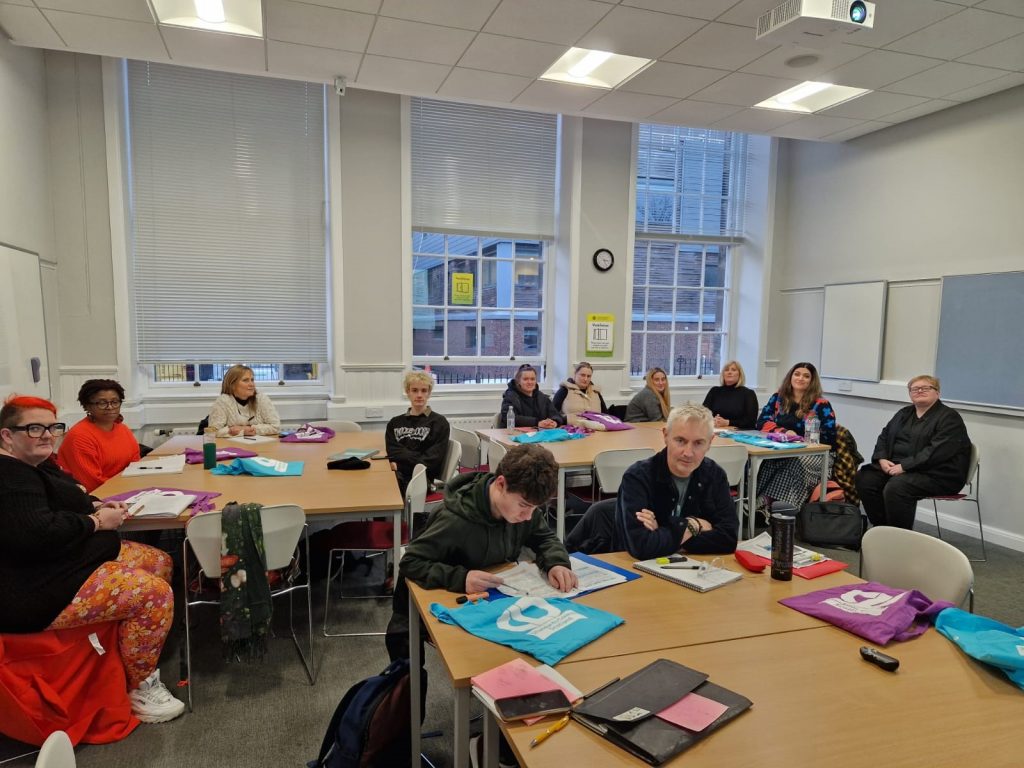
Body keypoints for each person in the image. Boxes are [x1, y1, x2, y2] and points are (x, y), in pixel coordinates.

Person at [0, 395, 184, 723]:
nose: (47, 434)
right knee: (154, 595)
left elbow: (75, 493)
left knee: (159, 561)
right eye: (34, 428)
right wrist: (97, 523)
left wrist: (97, 506)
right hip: (30, 588)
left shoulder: (38, 463)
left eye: (52, 427)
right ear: (6, 435)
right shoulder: (9, 476)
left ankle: (126, 650)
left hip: (64, 559)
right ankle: (141, 686)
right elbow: (37, 536)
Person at [385, 443, 576, 660]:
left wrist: (557, 562)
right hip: (438, 603)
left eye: (535, 508)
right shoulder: (455, 520)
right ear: (501, 484)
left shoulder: (521, 505)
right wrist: (461, 578)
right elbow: (411, 562)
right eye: (524, 506)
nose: (528, 516)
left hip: (489, 599)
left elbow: (544, 536)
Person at [616, 403, 738, 560]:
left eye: (698, 443)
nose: (688, 453)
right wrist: (695, 526)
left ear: (710, 442)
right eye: (680, 440)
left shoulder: (715, 475)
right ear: (665, 436)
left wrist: (663, 530)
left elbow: (728, 539)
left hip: (695, 570)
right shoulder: (638, 477)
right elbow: (642, 546)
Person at [855, 375, 971, 530]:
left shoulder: (949, 418)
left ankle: (901, 536)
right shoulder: (904, 413)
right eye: (915, 389)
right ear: (910, 394)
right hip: (900, 467)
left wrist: (905, 466)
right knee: (865, 478)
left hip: (938, 473)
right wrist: (882, 458)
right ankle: (882, 528)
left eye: (926, 387)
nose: (920, 391)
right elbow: (885, 435)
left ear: (937, 393)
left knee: (897, 486)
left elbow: (937, 451)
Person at [754, 362, 837, 510]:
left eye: (806, 376)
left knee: (793, 463)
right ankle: (759, 503)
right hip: (783, 449)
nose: (801, 378)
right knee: (767, 462)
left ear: (812, 381)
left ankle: (774, 506)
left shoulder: (821, 404)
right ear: (790, 377)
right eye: (797, 374)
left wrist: (799, 438)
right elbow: (761, 422)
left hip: (817, 454)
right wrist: (784, 432)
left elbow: (829, 437)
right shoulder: (778, 398)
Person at [57, 379, 141, 493]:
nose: (110, 407)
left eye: (115, 402)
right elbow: (92, 483)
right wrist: (129, 490)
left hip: (125, 490)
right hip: (96, 497)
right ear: (87, 406)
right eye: (102, 403)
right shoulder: (80, 437)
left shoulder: (123, 429)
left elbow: (135, 465)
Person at [385, 371, 450, 495]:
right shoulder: (394, 423)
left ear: (429, 393)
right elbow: (393, 452)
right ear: (407, 392)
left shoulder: (439, 423)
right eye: (414, 390)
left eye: (424, 390)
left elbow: (432, 460)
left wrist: (401, 465)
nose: (419, 395)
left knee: (389, 491)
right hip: (396, 475)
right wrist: (416, 455)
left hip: (421, 478)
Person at [207, 364, 281, 437]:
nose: (251, 384)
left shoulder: (261, 399)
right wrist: (243, 432)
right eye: (245, 380)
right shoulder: (223, 401)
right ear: (232, 385)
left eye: (252, 380)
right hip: (231, 446)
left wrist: (246, 429)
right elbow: (213, 431)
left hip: (258, 446)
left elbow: (276, 427)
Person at [499, 364, 564, 429]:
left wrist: (555, 422)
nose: (529, 382)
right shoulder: (510, 397)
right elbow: (510, 418)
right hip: (514, 435)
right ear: (518, 381)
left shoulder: (542, 397)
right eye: (525, 379)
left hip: (540, 434)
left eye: (532, 379)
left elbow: (556, 415)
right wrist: (537, 423)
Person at [702, 360, 759, 430]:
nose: (729, 372)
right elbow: (703, 414)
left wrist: (728, 422)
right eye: (726, 370)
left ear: (740, 374)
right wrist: (712, 420)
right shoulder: (714, 391)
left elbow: (751, 422)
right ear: (723, 374)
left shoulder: (748, 394)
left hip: (740, 433)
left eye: (733, 370)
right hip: (716, 430)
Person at [552, 361, 609, 428]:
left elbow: (606, 415)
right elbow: (553, 414)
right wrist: (566, 420)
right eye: (582, 375)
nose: (585, 379)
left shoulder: (596, 392)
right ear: (575, 374)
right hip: (571, 431)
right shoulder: (564, 390)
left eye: (589, 376)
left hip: (597, 431)